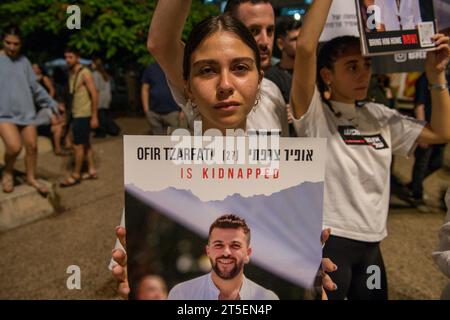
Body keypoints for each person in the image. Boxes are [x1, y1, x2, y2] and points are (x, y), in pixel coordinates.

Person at [111, 0, 337, 299]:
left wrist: (309, 274)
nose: (225, 84)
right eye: (207, 70)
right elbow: (160, 41)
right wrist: (135, 281)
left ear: (260, 79)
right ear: (186, 86)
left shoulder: (289, 181)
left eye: (241, 68)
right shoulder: (159, 182)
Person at [290, 0, 450, 300]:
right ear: (326, 75)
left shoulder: (380, 115)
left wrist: (436, 75)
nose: (363, 74)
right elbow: (305, 49)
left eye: (366, 65)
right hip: (331, 244)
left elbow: (441, 132)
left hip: (373, 247)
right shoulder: (315, 115)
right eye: (351, 67)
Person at [0, 26, 59, 194]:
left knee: (32, 147)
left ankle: (31, 177)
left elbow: (35, 88)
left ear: (21, 44)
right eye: (8, 43)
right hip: (4, 114)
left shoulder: (24, 62)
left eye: (16, 44)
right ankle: (8, 172)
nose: (12, 47)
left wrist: (51, 103)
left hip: (26, 113)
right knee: (14, 147)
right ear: (3, 41)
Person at [168, 214, 278, 300]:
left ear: (247, 254)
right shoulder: (182, 294)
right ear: (208, 251)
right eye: (219, 245)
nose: (226, 252)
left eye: (235, 245)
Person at [406, 70, 449, 211]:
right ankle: (416, 196)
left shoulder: (446, 78)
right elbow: (419, 105)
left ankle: (413, 184)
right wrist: (421, 130)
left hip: (442, 130)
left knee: (437, 163)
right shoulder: (424, 78)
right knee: (421, 163)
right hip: (428, 128)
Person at [60, 47, 99, 187]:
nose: (67, 60)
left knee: (78, 145)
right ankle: (92, 170)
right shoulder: (71, 72)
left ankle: (76, 175)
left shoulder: (85, 73)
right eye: (66, 57)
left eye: (70, 57)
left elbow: (94, 94)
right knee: (85, 143)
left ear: (77, 57)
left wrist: (94, 116)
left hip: (83, 114)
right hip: (76, 113)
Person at [265, 16, 302, 136]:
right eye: (295, 39)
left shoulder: (314, 74)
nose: (301, 44)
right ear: (281, 44)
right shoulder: (271, 77)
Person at [32, 63, 67, 156]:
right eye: (32, 67)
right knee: (57, 122)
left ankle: (59, 148)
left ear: (40, 69)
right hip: (38, 114)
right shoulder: (31, 80)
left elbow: (51, 90)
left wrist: (48, 101)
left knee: (58, 124)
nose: (33, 69)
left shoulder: (44, 78)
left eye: (35, 67)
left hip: (44, 107)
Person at [141, 62, 185, 135]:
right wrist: (146, 110)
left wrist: (183, 109)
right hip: (153, 112)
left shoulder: (175, 68)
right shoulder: (150, 68)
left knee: (174, 140)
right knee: (158, 142)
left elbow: (183, 89)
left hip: (173, 111)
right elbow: (145, 89)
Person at [91, 57, 114, 138]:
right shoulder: (104, 74)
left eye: (92, 63)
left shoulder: (95, 74)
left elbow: (96, 88)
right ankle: (112, 129)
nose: (91, 65)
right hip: (106, 96)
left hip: (100, 97)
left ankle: (102, 132)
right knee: (105, 114)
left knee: (101, 116)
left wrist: (94, 99)